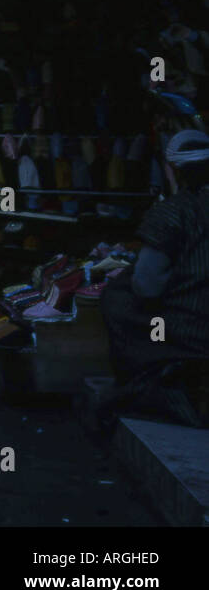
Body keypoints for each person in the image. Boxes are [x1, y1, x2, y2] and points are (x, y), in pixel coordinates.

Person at [99, 129, 209, 424]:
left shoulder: (174, 212)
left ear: (173, 169)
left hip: (191, 330)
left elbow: (147, 287)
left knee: (117, 298)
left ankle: (151, 381)